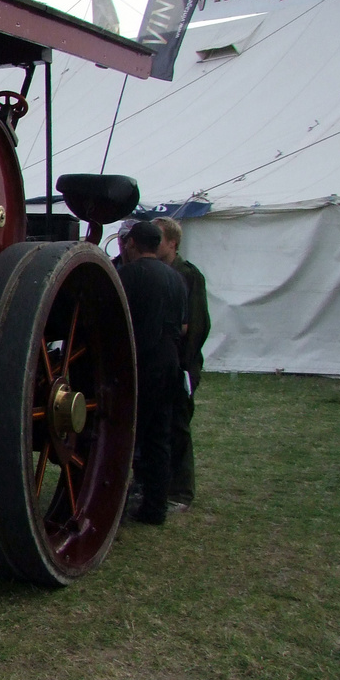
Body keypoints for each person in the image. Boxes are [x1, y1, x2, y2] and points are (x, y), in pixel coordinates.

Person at [117, 219, 187, 526]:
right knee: (159, 435)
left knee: (125, 435)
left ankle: (112, 508)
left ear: (132, 244)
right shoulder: (175, 278)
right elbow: (184, 325)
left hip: (142, 359)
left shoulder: (127, 275)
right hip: (170, 357)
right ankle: (155, 507)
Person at [154, 216, 211, 511]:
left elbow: (198, 323)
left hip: (181, 362)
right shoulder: (157, 272)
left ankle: (181, 492)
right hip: (162, 361)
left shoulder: (188, 275)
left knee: (178, 424)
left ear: (172, 243)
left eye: (158, 238)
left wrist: (185, 367)